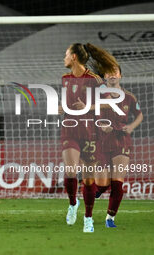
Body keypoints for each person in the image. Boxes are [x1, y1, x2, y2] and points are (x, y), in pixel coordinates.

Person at [61, 43, 118, 233]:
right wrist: (63, 108)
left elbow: (110, 103)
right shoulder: (65, 79)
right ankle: (72, 204)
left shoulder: (93, 80)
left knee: (87, 179)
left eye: (66, 55)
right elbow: (68, 105)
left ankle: (88, 218)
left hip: (90, 133)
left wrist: (87, 108)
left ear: (74, 57)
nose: (64, 58)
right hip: (70, 131)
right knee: (70, 170)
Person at [95, 65, 143, 228]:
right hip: (101, 141)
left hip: (121, 140)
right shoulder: (98, 96)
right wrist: (100, 125)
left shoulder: (129, 97)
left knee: (117, 182)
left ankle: (110, 218)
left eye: (115, 71)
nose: (112, 74)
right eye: (108, 72)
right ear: (105, 77)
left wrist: (131, 126)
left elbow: (139, 115)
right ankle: (100, 189)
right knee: (101, 183)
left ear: (121, 75)